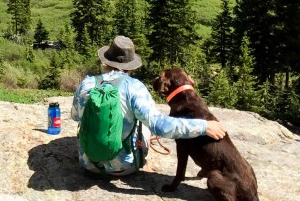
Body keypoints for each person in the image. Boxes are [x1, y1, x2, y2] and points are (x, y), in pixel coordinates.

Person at [71, 36, 226, 176]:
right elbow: (160, 126)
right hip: (123, 168)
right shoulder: (134, 87)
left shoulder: (87, 82)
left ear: (105, 61)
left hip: (87, 164)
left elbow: (76, 116)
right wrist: (204, 126)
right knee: (145, 124)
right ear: (130, 67)